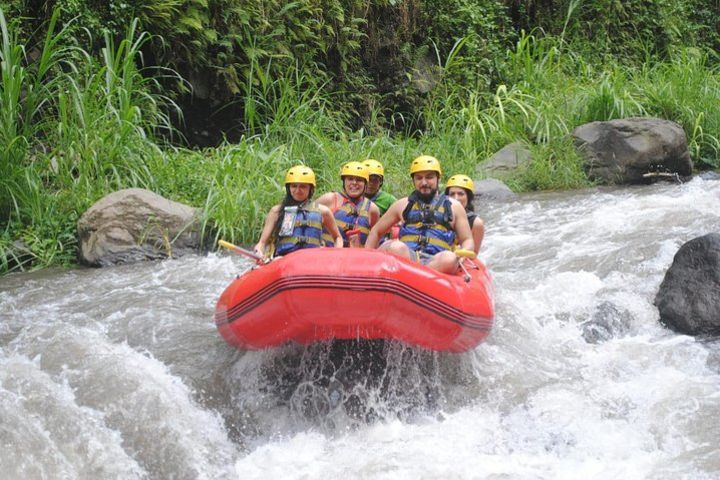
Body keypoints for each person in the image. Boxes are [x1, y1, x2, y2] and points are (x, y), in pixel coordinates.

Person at [365, 155, 474, 274]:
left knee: (449, 259)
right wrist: (367, 259)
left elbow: (467, 239)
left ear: (438, 178)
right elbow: (376, 231)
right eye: (419, 178)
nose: (424, 182)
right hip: (406, 257)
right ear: (413, 180)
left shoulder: (455, 207)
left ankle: (417, 278)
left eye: (429, 177)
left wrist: (463, 254)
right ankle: (413, 276)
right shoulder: (402, 204)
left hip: (436, 259)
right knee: (396, 247)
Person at [254, 165, 343, 261]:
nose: (297, 190)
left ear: (310, 189)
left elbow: (338, 238)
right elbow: (262, 243)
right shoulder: (276, 211)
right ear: (288, 188)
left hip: (313, 260)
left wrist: (336, 255)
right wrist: (258, 251)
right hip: (284, 259)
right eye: (294, 186)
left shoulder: (323, 211)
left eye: (303, 186)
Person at [317, 161, 380, 247]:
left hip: (357, 257)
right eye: (350, 179)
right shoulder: (330, 199)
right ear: (344, 182)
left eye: (359, 180)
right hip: (329, 255)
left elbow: (376, 239)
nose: (354, 183)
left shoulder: (372, 209)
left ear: (365, 184)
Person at [445, 174, 485, 255]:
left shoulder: (476, 223)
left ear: (468, 197)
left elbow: (473, 254)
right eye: (452, 194)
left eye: (461, 194)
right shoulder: (438, 214)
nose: (456, 198)